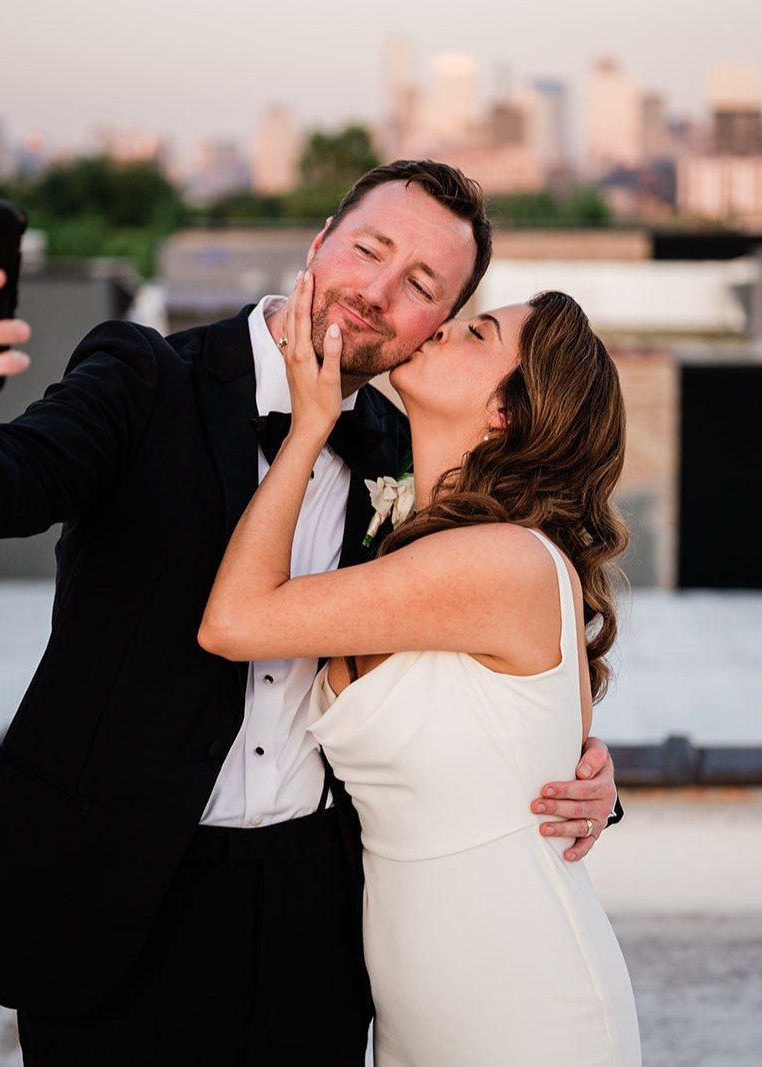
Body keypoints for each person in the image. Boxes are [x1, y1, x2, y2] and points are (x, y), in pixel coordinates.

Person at [0, 161, 622, 1065]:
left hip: (320, 923)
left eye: (420, 286)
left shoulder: (407, 461)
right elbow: (12, 481)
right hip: (116, 896)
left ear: (435, 327)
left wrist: (578, 775)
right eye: (368, 249)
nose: (376, 292)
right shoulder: (145, 376)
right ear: (319, 241)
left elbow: (482, 676)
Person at [200, 274, 640, 1065]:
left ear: (508, 412)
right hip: (410, 1001)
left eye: (477, 333)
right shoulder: (403, 541)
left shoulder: (503, 561)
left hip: (524, 996)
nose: (440, 326)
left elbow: (233, 621)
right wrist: (590, 772)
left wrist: (308, 428)